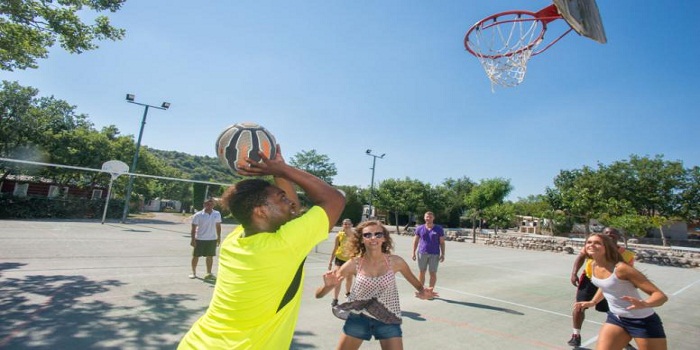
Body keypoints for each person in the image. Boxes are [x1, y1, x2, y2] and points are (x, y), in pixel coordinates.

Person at [178, 145, 345, 350]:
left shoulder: (235, 240)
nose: (291, 204)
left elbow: (291, 212)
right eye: (281, 199)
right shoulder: (284, 244)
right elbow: (335, 199)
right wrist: (282, 170)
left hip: (197, 342)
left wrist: (278, 171)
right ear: (261, 212)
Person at [316, 220, 438, 350]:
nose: (373, 238)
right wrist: (327, 286)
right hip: (358, 319)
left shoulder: (396, 262)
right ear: (362, 240)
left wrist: (424, 293)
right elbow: (319, 295)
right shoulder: (353, 264)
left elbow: (419, 287)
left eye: (378, 234)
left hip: (388, 319)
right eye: (367, 235)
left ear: (384, 238)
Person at [573, 233, 668, 350]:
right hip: (616, 318)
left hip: (642, 321)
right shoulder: (593, 265)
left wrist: (644, 304)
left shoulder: (621, 268)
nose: (592, 245)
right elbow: (605, 286)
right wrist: (593, 301)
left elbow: (661, 296)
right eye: (589, 242)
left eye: (597, 243)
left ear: (606, 247)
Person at [567, 227, 635, 348]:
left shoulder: (627, 254)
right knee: (579, 306)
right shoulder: (593, 248)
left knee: (615, 312)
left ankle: (622, 340)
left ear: (618, 236)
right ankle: (576, 335)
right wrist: (574, 273)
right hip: (589, 280)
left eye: (613, 233)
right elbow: (581, 257)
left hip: (611, 284)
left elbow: (628, 274)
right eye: (606, 233)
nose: (610, 235)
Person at [189, 198, 222, 280]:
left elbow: (218, 226)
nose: (209, 206)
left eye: (211, 204)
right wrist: (193, 240)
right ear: (204, 205)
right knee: (196, 256)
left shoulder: (217, 214)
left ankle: (209, 273)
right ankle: (193, 273)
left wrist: (218, 238)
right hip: (200, 238)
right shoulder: (198, 215)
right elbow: (193, 228)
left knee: (210, 256)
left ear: (214, 205)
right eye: (207, 204)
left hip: (212, 239)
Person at [411, 211, 445, 289]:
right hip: (422, 253)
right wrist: (413, 252)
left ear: (433, 218)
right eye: (427, 217)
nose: (428, 218)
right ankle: (421, 290)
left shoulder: (439, 229)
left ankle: (430, 291)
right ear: (424, 218)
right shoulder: (419, 228)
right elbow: (415, 241)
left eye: (430, 217)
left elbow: (442, 243)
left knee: (432, 273)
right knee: (422, 272)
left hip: (434, 254)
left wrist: (443, 254)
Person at [328, 218, 354, 306]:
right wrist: (330, 262)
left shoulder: (355, 236)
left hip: (350, 260)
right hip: (340, 259)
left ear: (351, 225)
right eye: (344, 224)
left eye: (348, 224)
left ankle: (347, 293)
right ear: (342, 225)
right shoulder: (339, 236)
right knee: (338, 279)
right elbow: (335, 248)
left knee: (349, 278)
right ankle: (335, 299)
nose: (346, 225)